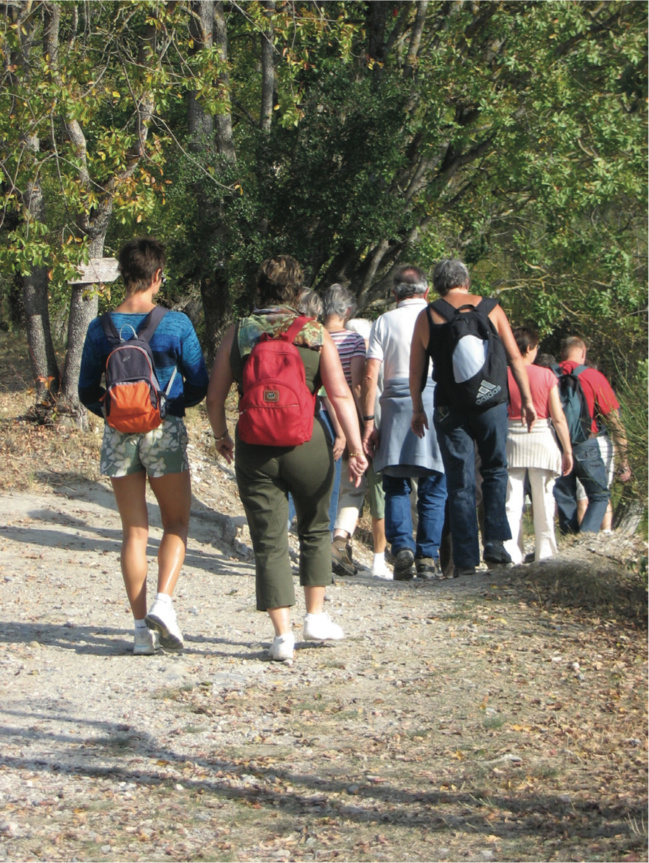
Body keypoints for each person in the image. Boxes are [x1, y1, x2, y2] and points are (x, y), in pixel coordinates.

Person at [206, 255, 368, 663]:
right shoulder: (314, 333)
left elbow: (214, 396)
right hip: (307, 440)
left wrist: (221, 436)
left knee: (269, 538)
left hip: (255, 445)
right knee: (315, 528)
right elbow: (340, 395)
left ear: (259, 289)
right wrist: (355, 446)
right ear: (298, 292)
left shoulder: (239, 332)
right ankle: (315, 616)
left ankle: (282, 636)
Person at [78, 238, 209, 655]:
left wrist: (118, 413)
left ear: (122, 274)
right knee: (177, 524)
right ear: (157, 276)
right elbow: (199, 383)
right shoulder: (176, 324)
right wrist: (168, 408)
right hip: (163, 431)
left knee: (134, 531)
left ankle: (139, 632)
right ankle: (164, 604)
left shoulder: (100, 328)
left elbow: (85, 391)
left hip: (118, 436)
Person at [410, 259, 536, 577]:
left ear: (437, 285)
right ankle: (495, 543)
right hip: (491, 404)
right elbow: (514, 358)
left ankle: (465, 559)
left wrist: (417, 408)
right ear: (466, 280)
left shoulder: (428, 315)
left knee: (459, 482)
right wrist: (529, 399)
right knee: (494, 470)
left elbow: (417, 370)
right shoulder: (491, 308)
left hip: (448, 407)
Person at [361, 265, 447, 581]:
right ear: (426, 292)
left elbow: (371, 376)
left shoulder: (383, 322)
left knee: (394, 479)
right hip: (434, 397)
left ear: (394, 293)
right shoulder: (438, 315)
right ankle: (427, 556)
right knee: (435, 481)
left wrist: (369, 420)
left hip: (394, 404)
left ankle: (403, 549)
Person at [503, 327, 573, 564]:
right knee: (544, 499)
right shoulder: (546, 376)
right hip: (541, 435)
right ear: (530, 348)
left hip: (511, 436)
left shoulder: (504, 374)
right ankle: (546, 554)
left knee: (511, 501)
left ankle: (511, 553)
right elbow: (558, 417)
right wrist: (567, 450)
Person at [552, 336, 631, 534]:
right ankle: (584, 538)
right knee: (600, 495)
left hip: (555, 444)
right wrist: (624, 460)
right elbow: (615, 422)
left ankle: (569, 543)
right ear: (583, 353)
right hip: (585, 443)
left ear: (562, 353)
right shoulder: (593, 376)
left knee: (565, 498)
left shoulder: (548, 374)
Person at [322, 285, 367, 576]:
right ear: (347, 311)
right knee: (354, 484)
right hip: (347, 418)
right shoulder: (354, 340)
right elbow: (358, 387)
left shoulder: (311, 336)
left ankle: (320, 541)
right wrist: (365, 425)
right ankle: (339, 540)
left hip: (317, 417)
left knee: (325, 482)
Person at [346, 318, 391, 579]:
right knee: (381, 497)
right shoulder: (383, 362)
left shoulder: (362, 367)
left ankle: (378, 559)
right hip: (382, 433)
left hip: (366, 434)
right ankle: (382, 558)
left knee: (376, 497)